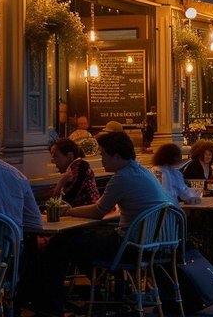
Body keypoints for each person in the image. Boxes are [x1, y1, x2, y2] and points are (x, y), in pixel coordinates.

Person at [33, 130, 170, 315]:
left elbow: (98, 211)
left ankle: (51, 306)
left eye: (104, 154)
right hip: (150, 246)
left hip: (130, 247)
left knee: (61, 243)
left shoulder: (121, 177)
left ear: (117, 156)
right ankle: (103, 295)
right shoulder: (142, 172)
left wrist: (68, 211)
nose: (101, 158)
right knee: (79, 241)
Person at [49, 138, 99, 207]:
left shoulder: (81, 168)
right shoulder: (76, 168)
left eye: (55, 156)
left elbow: (62, 202)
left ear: (70, 156)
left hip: (86, 213)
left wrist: (61, 182)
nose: (52, 161)